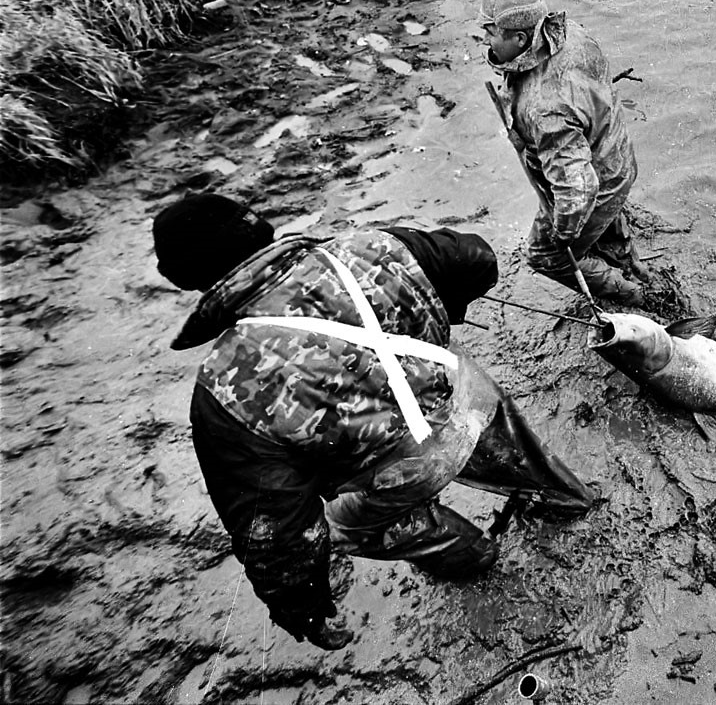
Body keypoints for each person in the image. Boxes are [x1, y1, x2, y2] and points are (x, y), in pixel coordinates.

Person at [153, 193, 595, 651]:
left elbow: (276, 533)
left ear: (186, 278)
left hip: (402, 473)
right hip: (468, 399)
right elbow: (478, 259)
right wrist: (435, 315)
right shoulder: (373, 245)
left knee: (339, 526)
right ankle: (572, 499)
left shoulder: (222, 384)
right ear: (258, 226)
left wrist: (303, 607)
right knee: (524, 460)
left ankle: (468, 555)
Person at [481, 0, 649, 306]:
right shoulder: (568, 32)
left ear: (520, 39)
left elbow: (578, 190)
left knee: (546, 255)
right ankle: (629, 262)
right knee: (606, 226)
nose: (484, 40)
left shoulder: (546, 108)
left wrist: (563, 233)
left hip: (596, 177)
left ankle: (633, 296)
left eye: (491, 32)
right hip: (613, 151)